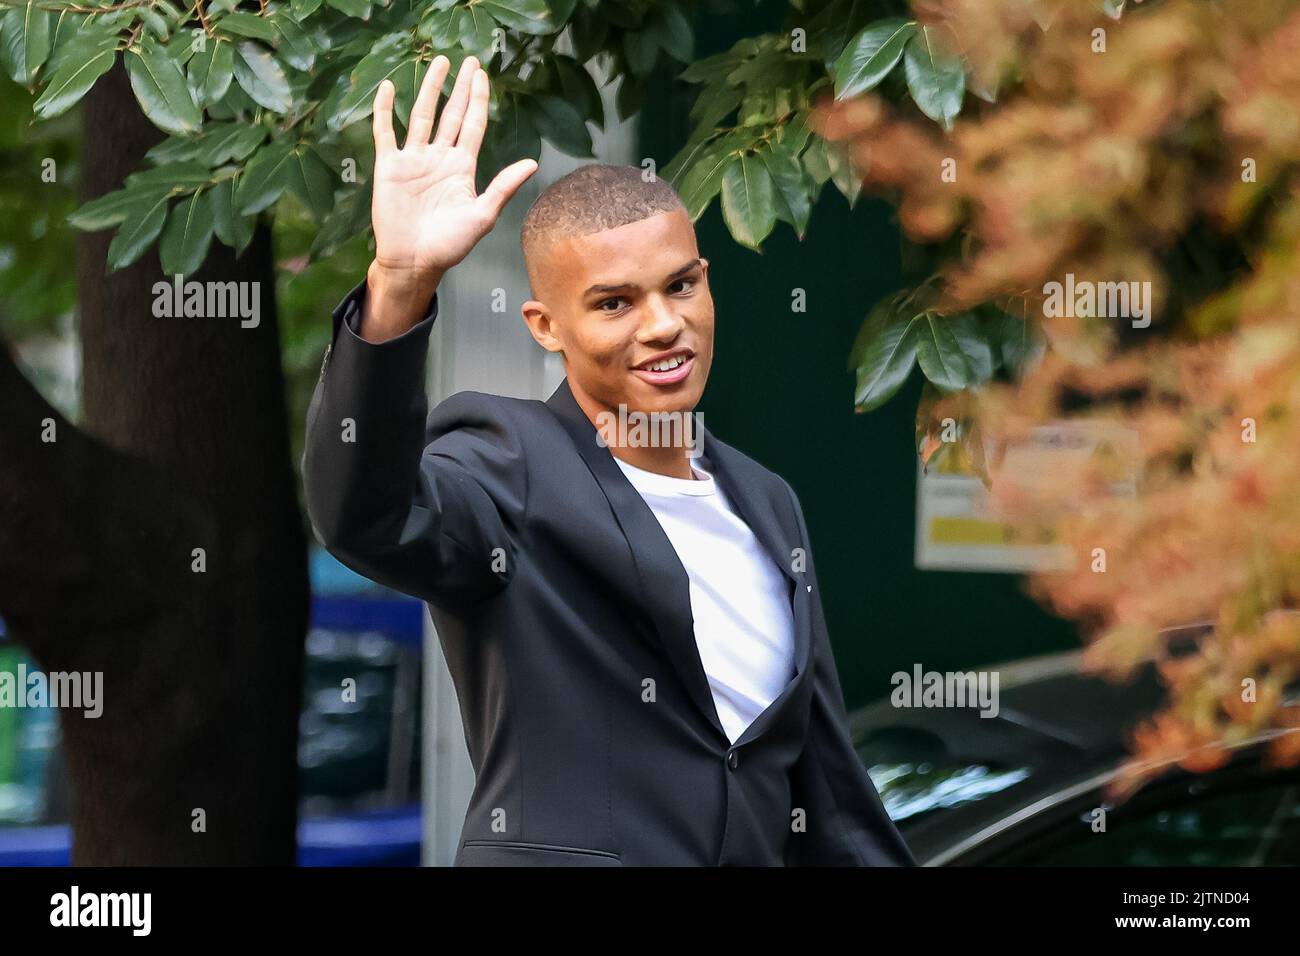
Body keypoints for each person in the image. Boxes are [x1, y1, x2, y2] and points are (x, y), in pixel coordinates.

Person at [302, 52, 916, 867]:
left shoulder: (768, 502)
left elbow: (829, 792)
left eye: (681, 286)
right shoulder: (509, 461)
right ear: (545, 326)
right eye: (614, 303)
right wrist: (399, 284)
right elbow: (363, 517)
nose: (663, 325)